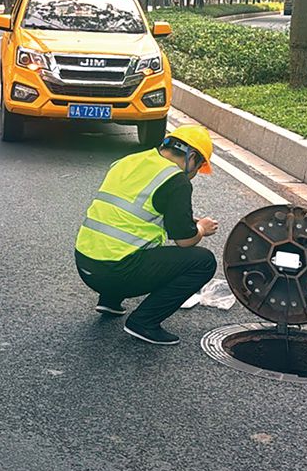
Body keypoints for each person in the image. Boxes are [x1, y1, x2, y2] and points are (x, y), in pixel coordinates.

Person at [74, 125, 220, 346]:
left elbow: (129, 211)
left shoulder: (129, 161)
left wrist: (183, 218)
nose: (196, 173)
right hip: (116, 272)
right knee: (203, 261)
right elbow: (184, 240)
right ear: (193, 158)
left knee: (123, 244)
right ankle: (144, 322)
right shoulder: (176, 180)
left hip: (85, 263)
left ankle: (110, 300)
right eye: (199, 167)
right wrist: (202, 229)